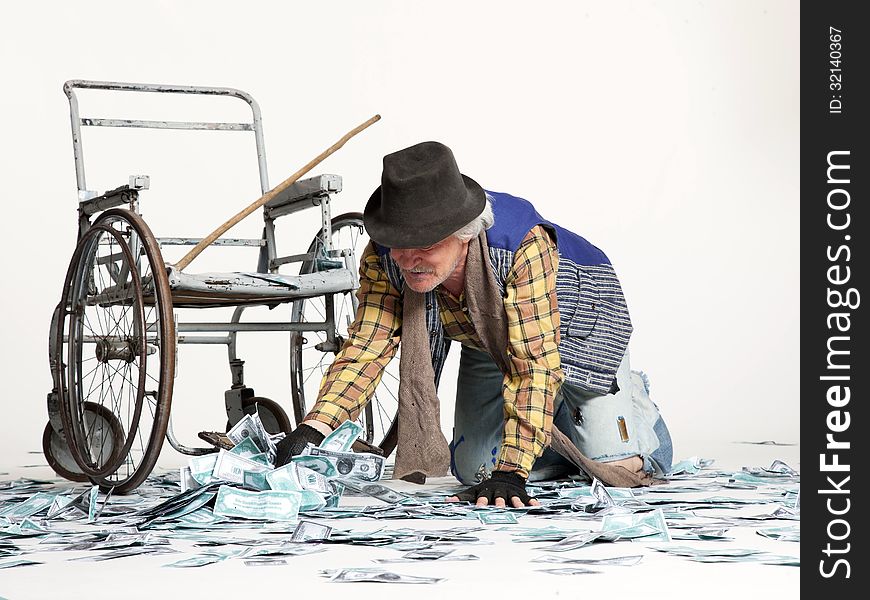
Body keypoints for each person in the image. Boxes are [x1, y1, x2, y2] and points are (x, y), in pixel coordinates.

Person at [275, 141, 672, 507]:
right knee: (474, 469)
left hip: (581, 326)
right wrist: (316, 426)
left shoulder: (522, 245)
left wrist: (513, 472)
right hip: (487, 339)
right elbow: (368, 345)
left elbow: (534, 363)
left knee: (618, 469)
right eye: (400, 242)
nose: (408, 259)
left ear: (464, 236)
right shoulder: (383, 257)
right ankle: (556, 427)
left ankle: (630, 403)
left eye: (426, 246)